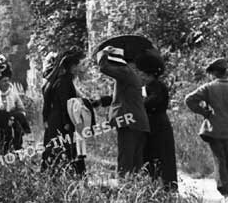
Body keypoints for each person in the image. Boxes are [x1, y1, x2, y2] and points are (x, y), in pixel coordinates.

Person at [185, 58, 228, 203]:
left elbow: (189, 99)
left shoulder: (209, 88)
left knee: (219, 160)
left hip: (214, 130)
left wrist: (204, 113)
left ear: (213, 73)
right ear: (225, 72)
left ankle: (225, 192)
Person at [97, 46, 151, 178]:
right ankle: (135, 190)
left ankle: (124, 190)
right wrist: (99, 101)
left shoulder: (124, 71)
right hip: (138, 122)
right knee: (135, 161)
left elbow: (103, 67)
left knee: (125, 160)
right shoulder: (131, 75)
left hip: (129, 122)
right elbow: (122, 96)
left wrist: (103, 53)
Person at [138, 52, 178, 192]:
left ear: (149, 74)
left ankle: (165, 186)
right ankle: (156, 185)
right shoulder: (151, 86)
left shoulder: (156, 86)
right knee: (153, 155)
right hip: (154, 123)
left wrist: (140, 104)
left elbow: (154, 100)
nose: (141, 76)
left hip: (158, 124)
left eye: (143, 74)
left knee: (160, 155)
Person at [41, 51, 84, 176]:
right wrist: (66, 122)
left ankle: (53, 172)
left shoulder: (53, 81)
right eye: (75, 66)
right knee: (62, 146)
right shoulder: (64, 82)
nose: (77, 69)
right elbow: (65, 103)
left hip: (54, 118)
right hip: (60, 120)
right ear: (69, 67)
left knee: (56, 146)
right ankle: (64, 173)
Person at [0, 71, 31, 151]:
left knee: (18, 122)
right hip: (1, 120)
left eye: (8, 81)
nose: (7, 83)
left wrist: (15, 117)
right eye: (4, 81)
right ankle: (4, 149)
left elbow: (21, 107)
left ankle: (18, 147)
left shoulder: (13, 94)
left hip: (13, 118)